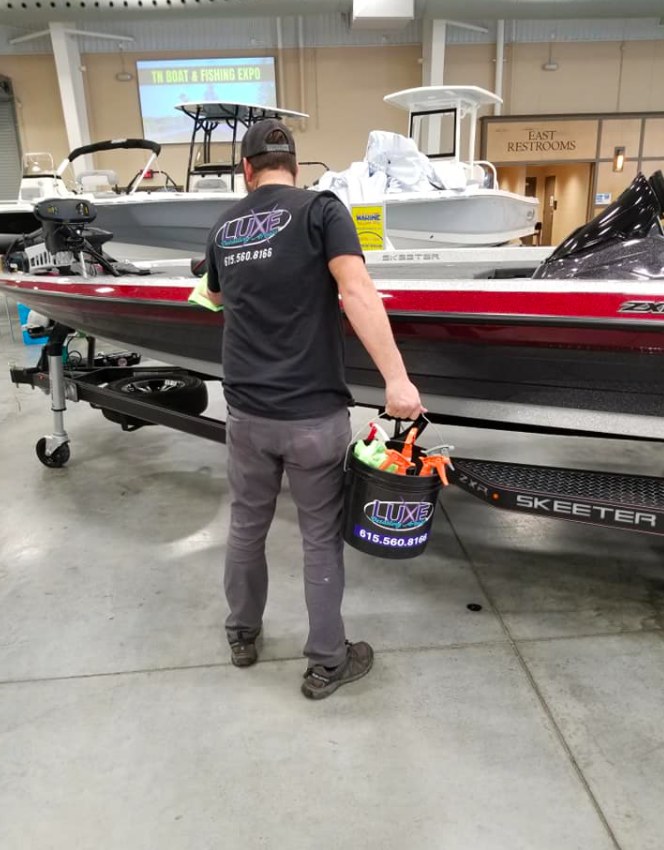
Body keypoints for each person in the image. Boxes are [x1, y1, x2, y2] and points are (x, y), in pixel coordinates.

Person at [205, 118, 424, 700]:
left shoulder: (225, 225)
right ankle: (328, 661)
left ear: (245, 171)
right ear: (295, 167)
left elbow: (216, 295)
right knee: (318, 538)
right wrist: (396, 379)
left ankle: (242, 635)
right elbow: (356, 292)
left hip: (247, 414)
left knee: (246, 527)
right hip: (312, 417)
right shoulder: (323, 210)